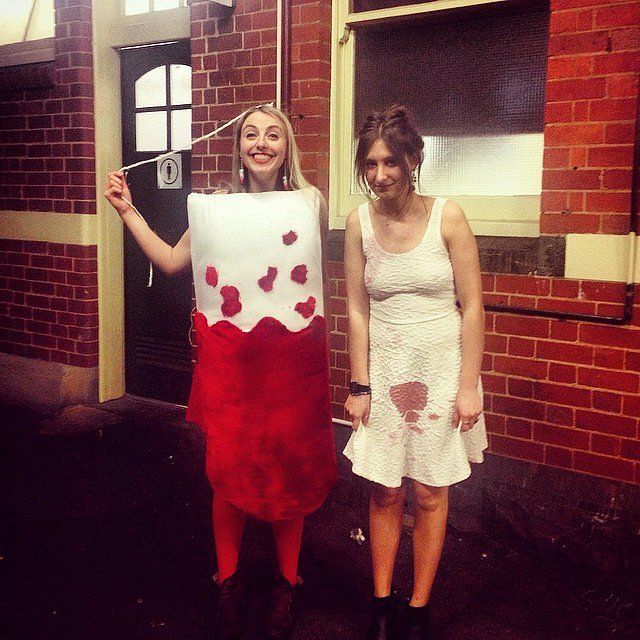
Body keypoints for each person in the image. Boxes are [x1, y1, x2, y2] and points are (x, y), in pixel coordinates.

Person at [104, 105, 337, 640]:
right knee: (229, 468)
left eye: (272, 134)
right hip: (232, 359)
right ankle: (227, 583)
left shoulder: (310, 202)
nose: (261, 143)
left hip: (291, 357)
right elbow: (169, 261)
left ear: (287, 146)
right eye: (250, 134)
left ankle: (286, 584)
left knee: (289, 467)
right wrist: (127, 211)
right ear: (237, 146)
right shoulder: (216, 209)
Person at [343, 105, 488, 640]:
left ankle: (419, 606)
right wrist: (359, 385)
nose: (381, 175)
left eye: (391, 163)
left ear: (412, 159)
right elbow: (357, 308)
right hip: (384, 367)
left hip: (442, 366)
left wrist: (468, 386)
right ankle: (381, 604)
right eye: (371, 164)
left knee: (429, 491)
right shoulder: (359, 222)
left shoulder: (448, 216)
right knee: (384, 490)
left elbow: (471, 305)